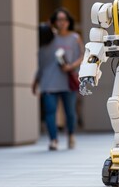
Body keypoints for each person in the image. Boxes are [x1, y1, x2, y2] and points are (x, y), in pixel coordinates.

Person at [32, 8, 83, 150]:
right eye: (59, 20)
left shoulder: (75, 38)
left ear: (69, 21)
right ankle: (53, 140)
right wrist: (36, 81)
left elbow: (82, 56)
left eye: (64, 19)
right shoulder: (48, 38)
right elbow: (41, 61)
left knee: (70, 113)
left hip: (67, 81)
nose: (62, 23)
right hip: (49, 81)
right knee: (50, 111)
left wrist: (71, 66)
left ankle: (71, 135)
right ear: (54, 21)